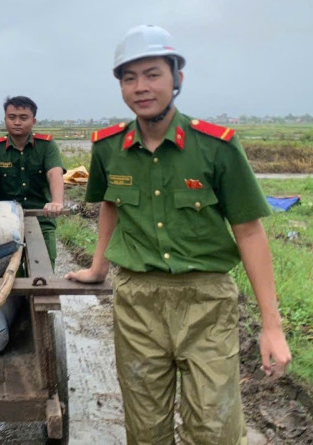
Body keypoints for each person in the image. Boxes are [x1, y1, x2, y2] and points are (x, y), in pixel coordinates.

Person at [65, 25, 292, 443]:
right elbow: (110, 205)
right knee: (145, 430)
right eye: (129, 78)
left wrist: (272, 326)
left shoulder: (217, 147)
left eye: (152, 74)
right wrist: (98, 267)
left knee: (215, 430)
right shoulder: (108, 148)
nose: (141, 87)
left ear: (177, 79)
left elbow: (249, 232)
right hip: (137, 303)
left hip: (206, 302)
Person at [0, 96, 65, 265]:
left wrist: (57, 202)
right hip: (4, 220)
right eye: (12, 117)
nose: (17, 122)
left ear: (33, 120)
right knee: (3, 270)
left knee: (44, 268)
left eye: (23, 118)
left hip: (41, 216)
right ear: (5, 119)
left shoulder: (47, 146)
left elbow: (54, 173)